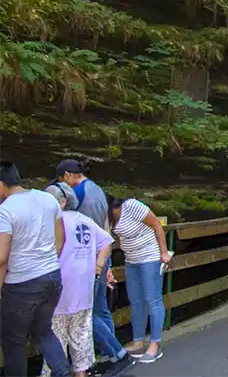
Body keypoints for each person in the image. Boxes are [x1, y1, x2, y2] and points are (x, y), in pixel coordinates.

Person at [54, 159, 131, 373]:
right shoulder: (96, 189)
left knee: (85, 312)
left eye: (61, 180)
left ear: (68, 175)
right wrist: (103, 264)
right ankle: (109, 353)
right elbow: (106, 228)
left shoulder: (76, 193)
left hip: (84, 258)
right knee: (99, 308)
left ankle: (116, 353)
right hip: (98, 252)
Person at [0, 161, 72, 377]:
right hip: (51, 277)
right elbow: (61, 239)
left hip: (21, 283)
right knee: (43, 332)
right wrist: (48, 264)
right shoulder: (47, 198)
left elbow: (2, 257)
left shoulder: (5, 210)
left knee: (13, 342)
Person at [44, 184, 114, 377]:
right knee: (81, 338)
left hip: (59, 290)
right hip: (83, 289)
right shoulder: (85, 220)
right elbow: (107, 241)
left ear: (62, 202)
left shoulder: (52, 222)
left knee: (55, 338)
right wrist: (98, 267)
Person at [108, 196, 172, 363]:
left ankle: (155, 345)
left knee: (153, 299)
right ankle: (138, 341)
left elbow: (157, 224)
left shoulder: (131, 206)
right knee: (136, 301)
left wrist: (164, 253)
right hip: (131, 260)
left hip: (150, 257)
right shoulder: (108, 217)